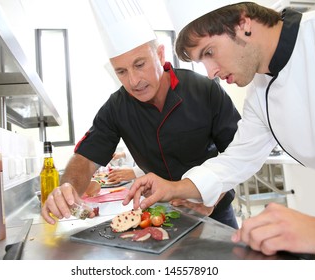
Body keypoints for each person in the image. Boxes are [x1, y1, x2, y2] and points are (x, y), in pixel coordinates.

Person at [123, 1, 315, 257]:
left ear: (243, 23)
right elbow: (237, 159)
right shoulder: (259, 93)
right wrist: (174, 188)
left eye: (209, 52)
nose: (211, 72)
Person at [41, 0, 241, 229]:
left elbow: (236, 154)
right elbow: (85, 159)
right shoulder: (116, 107)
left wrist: (212, 198)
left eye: (139, 64)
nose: (133, 81)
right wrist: (67, 188)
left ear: (160, 54)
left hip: (214, 209)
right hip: (159, 214)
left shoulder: (204, 90)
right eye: (121, 71)